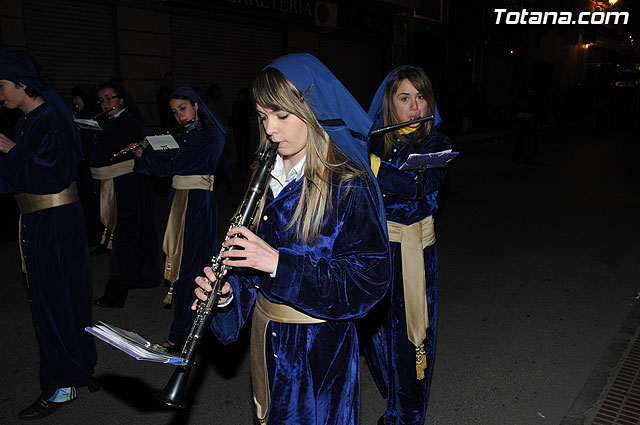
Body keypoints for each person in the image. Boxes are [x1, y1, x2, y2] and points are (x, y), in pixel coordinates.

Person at [193, 53, 391, 425]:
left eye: (281, 115)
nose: (270, 129)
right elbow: (249, 273)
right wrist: (227, 296)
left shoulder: (348, 183)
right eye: (263, 116)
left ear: (311, 109)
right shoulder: (264, 175)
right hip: (268, 346)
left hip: (321, 355)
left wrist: (279, 264)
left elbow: (368, 281)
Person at [0, 48, 97, 420]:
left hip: (55, 222)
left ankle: (63, 381)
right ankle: (70, 370)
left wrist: (12, 151)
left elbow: (55, 174)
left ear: (23, 84)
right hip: (40, 221)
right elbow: (19, 174)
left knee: (57, 301)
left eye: (4, 85)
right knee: (49, 299)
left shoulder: (50, 119)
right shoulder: (27, 120)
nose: (1, 92)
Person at [360, 66, 451, 425]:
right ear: (389, 104)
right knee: (373, 332)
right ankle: (395, 392)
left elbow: (416, 187)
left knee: (412, 335)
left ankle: (407, 415)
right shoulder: (374, 142)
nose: (415, 106)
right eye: (404, 98)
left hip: (413, 252)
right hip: (378, 248)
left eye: (420, 96)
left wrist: (370, 165)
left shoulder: (436, 144)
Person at [133, 86, 225, 352]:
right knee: (192, 265)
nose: (178, 115)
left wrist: (146, 155)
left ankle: (183, 335)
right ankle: (194, 331)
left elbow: (174, 166)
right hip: (183, 200)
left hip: (195, 203)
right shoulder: (186, 133)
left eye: (182, 108)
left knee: (190, 267)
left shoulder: (208, 135)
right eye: (174, 111)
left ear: (196, 105)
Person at [90, 80, 161, 308]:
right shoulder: (107, 122)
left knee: (123, 235)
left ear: (121, 99)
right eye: (101, 100)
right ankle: (138, 277)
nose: (106, 103)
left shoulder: (128, 122)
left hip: (128, 185)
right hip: (117, 183)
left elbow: (106, 145)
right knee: (128, 235)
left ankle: (116, 292)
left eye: (110, 98)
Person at [71, 84, 102, 247]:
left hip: (92, 165)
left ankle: (97, 236)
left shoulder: (96, 117)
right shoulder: (75, 117)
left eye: (77, 98)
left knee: (91, 201)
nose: (75, 102)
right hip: (82, 166)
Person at [229, 87, 253, 170]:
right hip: (238, 127)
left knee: (246, 146)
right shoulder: (236, 104)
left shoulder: (249, 104)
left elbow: (249, 114)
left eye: (241, 95)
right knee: (238, 146)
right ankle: (240, 163)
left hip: (245, 127)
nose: (240, 96)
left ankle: (246, 164)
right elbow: (233, 115)